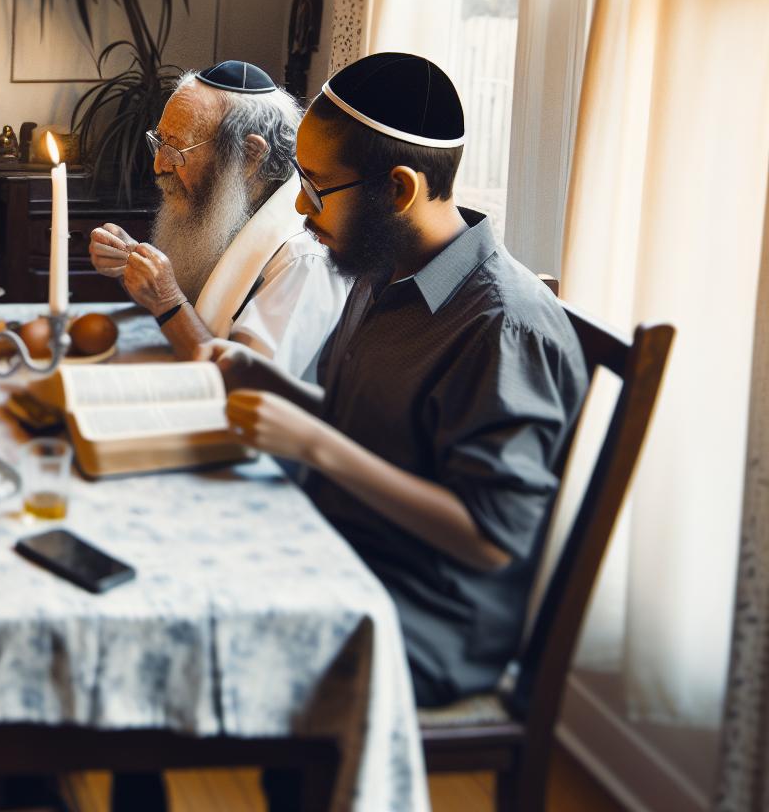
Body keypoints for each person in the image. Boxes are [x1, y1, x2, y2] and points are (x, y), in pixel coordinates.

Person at [205, 52, 590, 710]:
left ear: (400, 190)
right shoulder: (384, 267)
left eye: (317, 185)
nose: (300, 206)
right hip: (347, 544)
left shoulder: (503, 327)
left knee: (198, 627)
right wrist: (275, 388)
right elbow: (379, 427)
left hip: (427, 614)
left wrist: (315, 445)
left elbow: (491, 537)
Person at [89, 61, 349, 381]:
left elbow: (249, 392)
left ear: (249, 155)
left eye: (177, 149)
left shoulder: (302, 258)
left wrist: (167, 300)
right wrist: (135, 265)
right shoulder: (225, 209)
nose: (159, 165)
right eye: (160, 141)